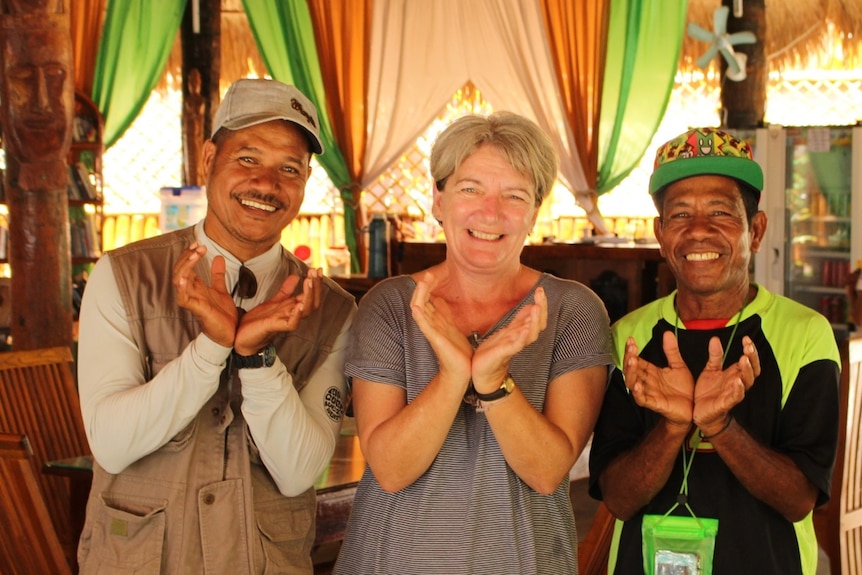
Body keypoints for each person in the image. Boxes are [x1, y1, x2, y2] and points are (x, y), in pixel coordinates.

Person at [76, 78, 356, 574]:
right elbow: (112, 445)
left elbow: (300, 473)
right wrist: (210, 349)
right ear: (209, 160)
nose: (267, 183)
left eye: (289, 168)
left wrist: (258, 359)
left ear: (306, 183)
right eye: (247, 158)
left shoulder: (331, 309)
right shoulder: (122, 276)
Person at [333, 112, 614, 574]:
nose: (490, 212)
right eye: (470, 189)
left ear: (534, 213)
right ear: (438, 201)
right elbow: (391, 468)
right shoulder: (390, 306)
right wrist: (454, 373)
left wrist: (494, 380)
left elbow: (546, 472)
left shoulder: (572, 310)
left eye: (514, 195)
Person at [589, 127, 841, 575]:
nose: (699, 231)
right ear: (661, 234)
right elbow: (619, 498)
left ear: (756, 230)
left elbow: (800, 499)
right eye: (680, 215)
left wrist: (720, 427)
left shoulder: (804, 335)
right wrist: (672, 427)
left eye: (722, 213)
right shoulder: (629, 336)